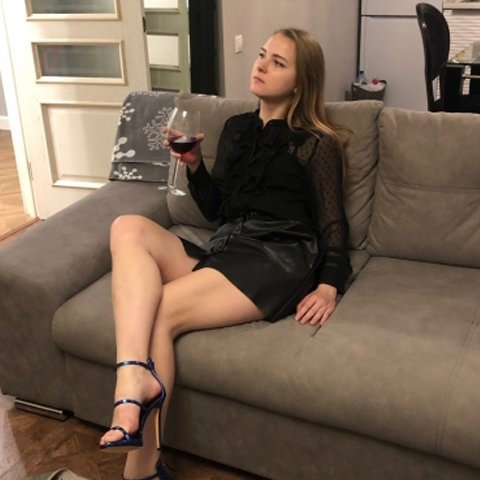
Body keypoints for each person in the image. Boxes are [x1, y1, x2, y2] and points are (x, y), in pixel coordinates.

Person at [99, 27, 352, 479]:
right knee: (127, 226)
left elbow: (334, 225)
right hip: (227, 248)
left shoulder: (317, 143)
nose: (261, 65)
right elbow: (219, 210)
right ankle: (133, 376)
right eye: (262, 54)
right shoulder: (237, 129)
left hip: (277, 256)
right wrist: (195, 166)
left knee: (161, 309)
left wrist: (329, 284)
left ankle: (140, 467)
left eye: (278, 62)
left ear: (301, 82)